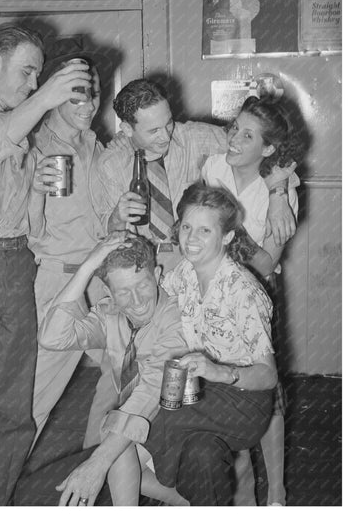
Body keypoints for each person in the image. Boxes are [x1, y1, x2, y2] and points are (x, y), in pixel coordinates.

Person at [0, 22, 92, 506]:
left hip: (15, 263)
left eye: (37, 77)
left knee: (12, 408)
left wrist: (38, 184)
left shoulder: (15, 116)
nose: (32, 84)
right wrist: (46, 97)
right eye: (27, 72)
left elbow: (15, 209)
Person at [141, 182, 277, 505]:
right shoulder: (186, 272)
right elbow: (155, 290)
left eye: (205, 230)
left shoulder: (243, 291)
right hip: (202, 397)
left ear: (228, 236)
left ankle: (137, 464)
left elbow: (269, 376)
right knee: (200, 455)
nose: (191, 238)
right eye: (186, 227)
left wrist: (220, 372)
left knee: (163, 412)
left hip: (244, 401)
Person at [201, 94, 307, 505]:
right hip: (212, 290)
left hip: (255, 294)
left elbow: (266, 265)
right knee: (226, 389)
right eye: (234, 129)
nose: (235, 139)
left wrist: (230, 225)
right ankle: (244, 494)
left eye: (248, 135)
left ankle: (276, 493)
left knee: (266, 392)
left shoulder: (279, 192)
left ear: (268, 148)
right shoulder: (211, 167)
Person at [37, 233, 188, 506]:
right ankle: (195, 501)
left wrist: (97, 464)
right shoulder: (111, 314)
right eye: (123, 292)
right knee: (116, 438)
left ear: (157, 273)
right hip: (144, 424)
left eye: (142, 285)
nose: (138, 300)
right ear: (109, 293)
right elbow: (52, 337)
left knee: (114, 442)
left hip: (181, 417)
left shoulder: (176, 316)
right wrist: (86, 268)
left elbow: (156, 390)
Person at [95, 78, 298, 276]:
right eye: (154, 130)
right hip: (140, 267)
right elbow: (108, 231)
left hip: (192, 266)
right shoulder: (111, 163)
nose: (166, 136)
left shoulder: (193, 137)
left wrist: (278, 193)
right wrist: (117, 217)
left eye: (168, 123)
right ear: (128, 129)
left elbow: (266, 148)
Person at [27, 53, 108, 449]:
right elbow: (26, 233)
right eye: (76, 95)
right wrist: (34, 192)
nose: (89, 105)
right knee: (36, 401)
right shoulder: (34, 146)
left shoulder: (97, 144)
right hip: (61, 284)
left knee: (128, 376)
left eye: (91, 93)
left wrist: (281, 180)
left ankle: (104, 466)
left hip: (104, 282)